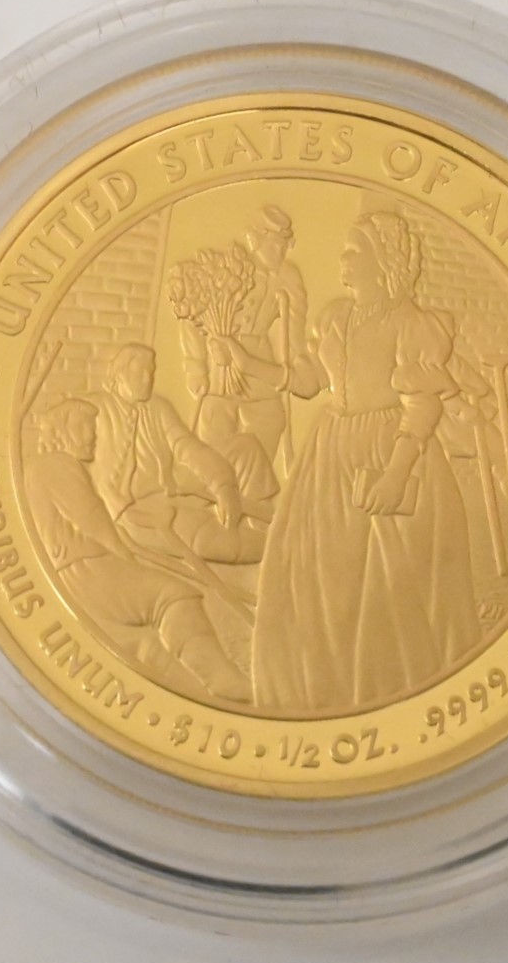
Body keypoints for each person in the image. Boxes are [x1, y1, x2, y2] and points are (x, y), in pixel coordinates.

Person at [241, 211, 480, 712]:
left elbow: (422, 406)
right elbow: (307, 382)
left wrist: (395, 474)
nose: (344, 260)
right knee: (316, 577)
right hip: (330, 457)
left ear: (384, 261)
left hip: (393, 451)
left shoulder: (414, 325)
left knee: (387, 585)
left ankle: (387, 696)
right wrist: (248, 364)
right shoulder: (334, 318)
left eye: (355, 252)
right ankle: (315, 694)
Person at [24, 398, 252, 703]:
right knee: (173, 595)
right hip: (89, 570)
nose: (93, 434)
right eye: (86, 426)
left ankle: (196, 696)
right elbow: (91, 518)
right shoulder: (56, 465)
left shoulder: (46, 468)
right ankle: (222, 681)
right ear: (64, 430)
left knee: (147, 646)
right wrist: (124, 554)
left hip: (83, 569)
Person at [88, 343, 276, 566]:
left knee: (245, 447)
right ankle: (277, 548)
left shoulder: (158, 407)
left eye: (151, 372)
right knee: (220, 543)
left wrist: (223, 485)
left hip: (177, 486)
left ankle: (267, 521)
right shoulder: (97, 409)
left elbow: (188, 448)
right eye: (141, 372)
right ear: (120, 373)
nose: (148, 379)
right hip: (142, 512)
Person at [182, 205, 308, 470]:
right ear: (256, 240)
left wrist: (296, 370)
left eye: (285, 245)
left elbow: (295, 330)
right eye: (275, 245)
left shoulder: (288, 277)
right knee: (214, 439)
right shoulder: (229, 268)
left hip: (260, 367)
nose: (281, 252)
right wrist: (196, 368)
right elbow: (191, 313)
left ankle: (257, 488)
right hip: (220, 369)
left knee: (270, 423)